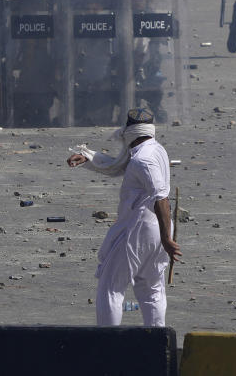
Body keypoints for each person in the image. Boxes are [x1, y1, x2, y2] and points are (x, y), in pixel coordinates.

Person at [67, 108, 181, 326]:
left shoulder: (143, 160)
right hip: (160, 228)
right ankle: (156, 345)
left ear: (130, 130)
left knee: (110, 288)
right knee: (152, 290)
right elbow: (119, 165)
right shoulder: (155, 150)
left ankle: (110, 346)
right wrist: (89, 157)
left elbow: (161, 198)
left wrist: (167, 240)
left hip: (140, 228)